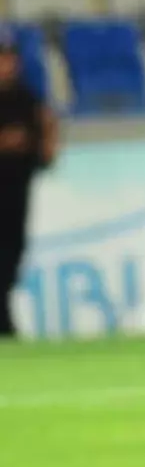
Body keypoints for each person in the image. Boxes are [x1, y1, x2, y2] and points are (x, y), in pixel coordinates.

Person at [0, 30, 56, 339]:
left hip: (17, 189)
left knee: (13, 252)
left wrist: (46, 141)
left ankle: (4, 317)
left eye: (9, 58)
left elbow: (44, 141)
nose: (5, 65)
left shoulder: (28, 98)